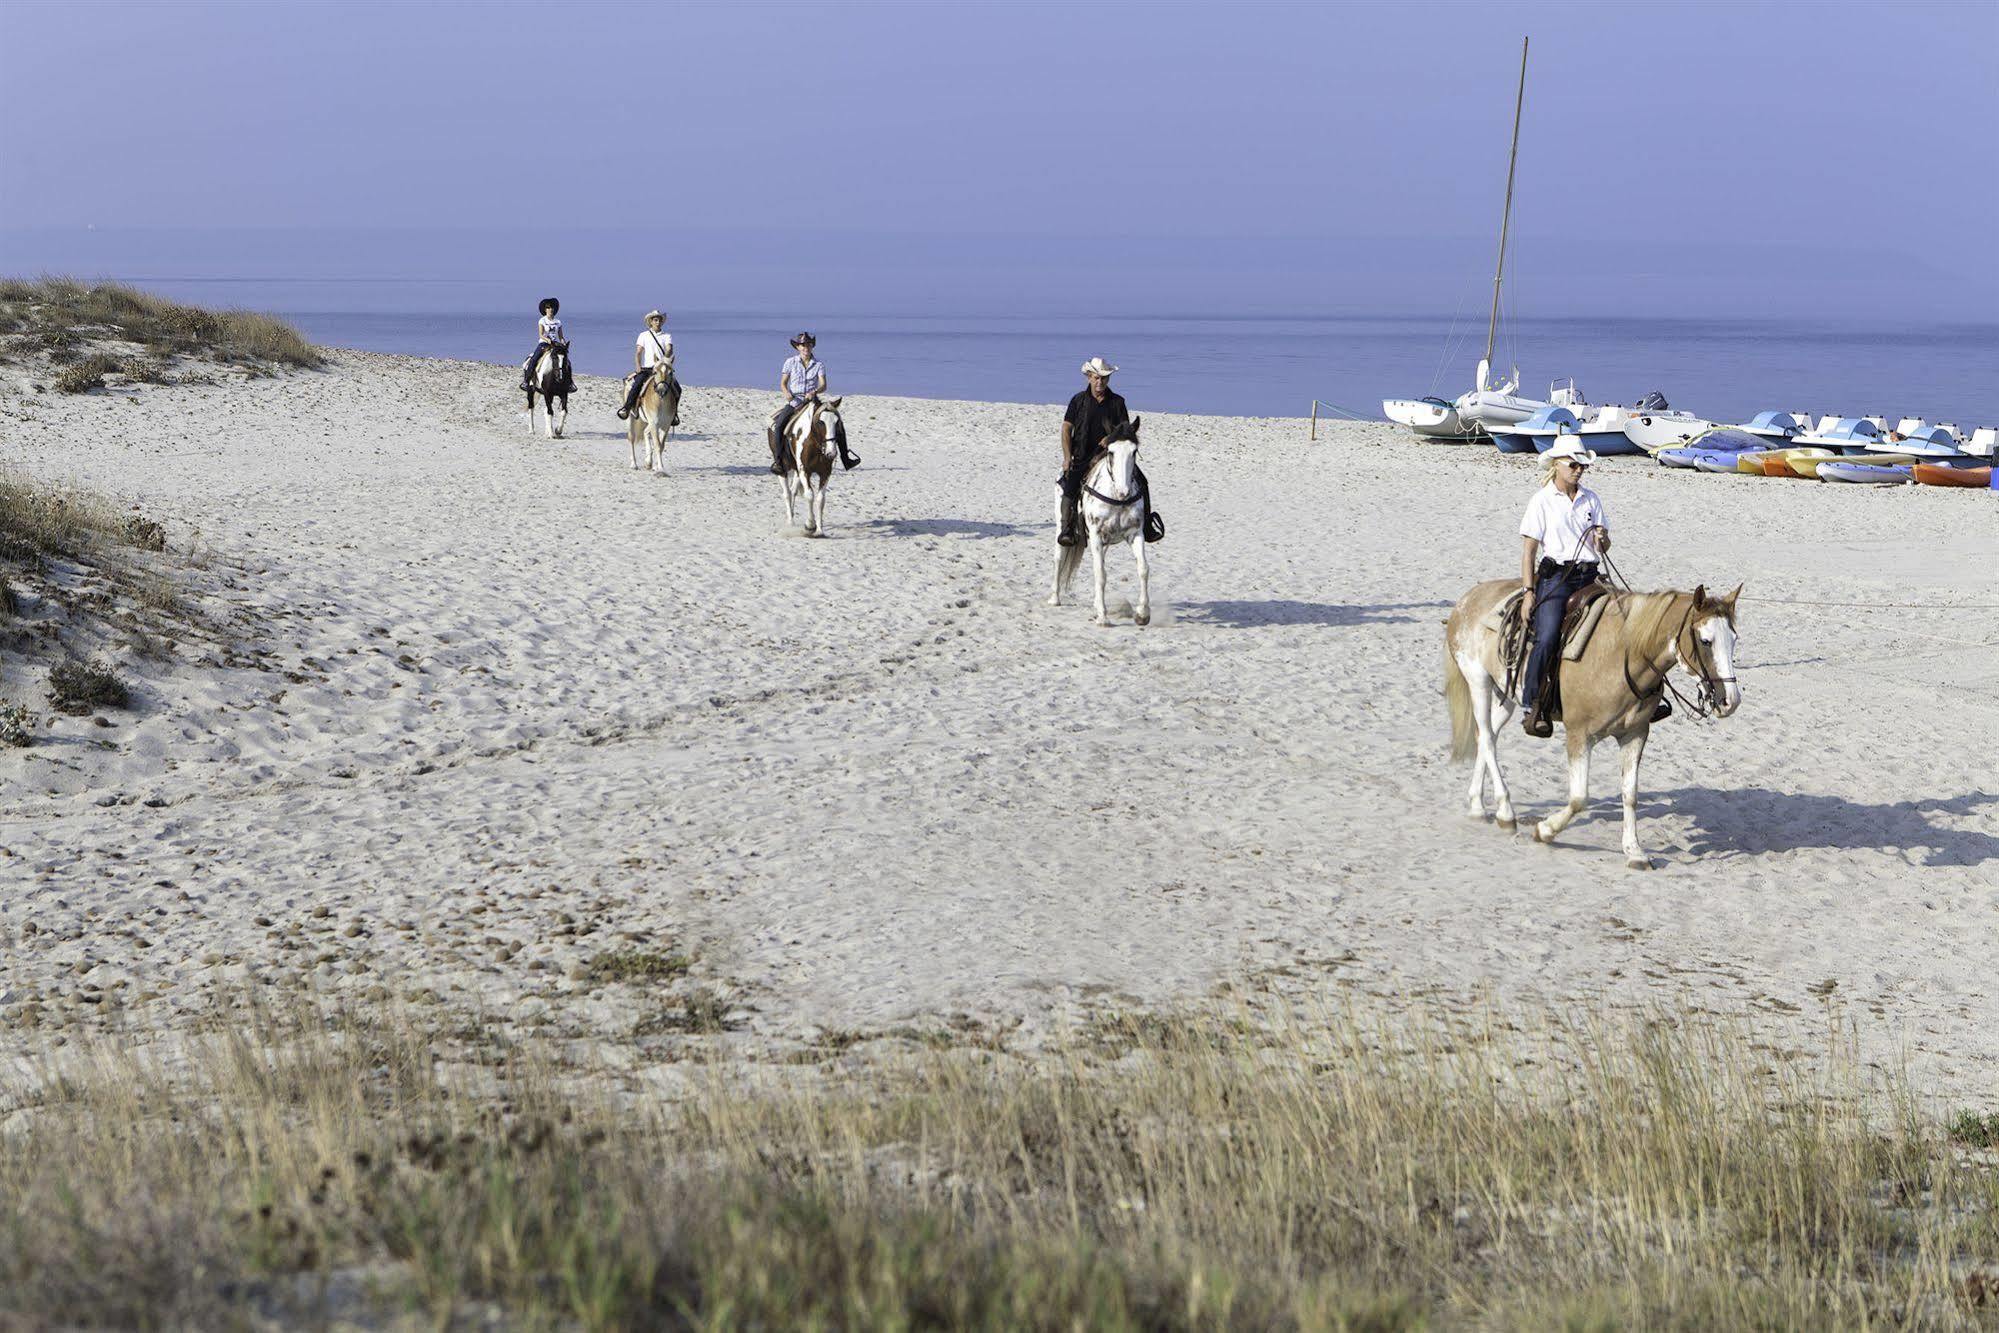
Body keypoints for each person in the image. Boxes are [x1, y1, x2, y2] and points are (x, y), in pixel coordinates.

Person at [1516, 436, 1609, 737]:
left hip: (1589, 575)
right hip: (1556, 576)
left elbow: (1605, 546)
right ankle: (1533, 703)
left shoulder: (1591, 499)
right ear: (1557, 465)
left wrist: (1602, 538)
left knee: (1626, 619)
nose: (1579, 470)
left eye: (1582, 465)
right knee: (1547, 636)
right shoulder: (1541, 500)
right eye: (1573, 465)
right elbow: (1529, 550)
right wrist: (1530, 593)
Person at [1058, 356, 1162, 546]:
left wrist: (1110, 439)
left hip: (1109, 456)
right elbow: (1066, 428)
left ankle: (1147, 527)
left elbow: (1125, 432)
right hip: (1082, 455)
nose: (1100, 382)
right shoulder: (1078, 401)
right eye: (1096, 377)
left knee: (1143, 482)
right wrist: (1067, 457)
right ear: (1089, 377)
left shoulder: (1117, 402)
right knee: (1070, 485)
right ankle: (1068, 529)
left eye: (1104, 378)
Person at [768, 332, 858, 473]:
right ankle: (778, 462)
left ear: (812, 346)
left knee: (837, 423)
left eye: (808, 344)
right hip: (795, 401)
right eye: (803, 345)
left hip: (812, 401)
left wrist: (815, 391)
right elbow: (783, 383)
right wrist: (787, 394)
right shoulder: (789, 362)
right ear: (797, 347)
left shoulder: (819, 365)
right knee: (779, 426)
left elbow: (823, 385)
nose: (806, 347)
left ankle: (846, 458)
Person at [617, 310, 680, 423]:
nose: (658, 322)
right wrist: (638, 365)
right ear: (651, 322)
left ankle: (674, 414)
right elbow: (638, 352)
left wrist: (666, 357)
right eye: (655, 320)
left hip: (662, 369)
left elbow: (669, 348)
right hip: (647, 368)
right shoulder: (643, 335)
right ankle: (626, 408)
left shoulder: (667, 336)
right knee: (636, 385)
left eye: (660, 320)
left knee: (677, 388)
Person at [519, 297, 575, 394]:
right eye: (548, 308)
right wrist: (547, 340)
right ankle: (526, 381)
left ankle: (570, 383)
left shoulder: (558, 322)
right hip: (544, 343)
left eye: (552, 307)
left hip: (555, 344)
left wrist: (563, 342)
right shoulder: (542, 321)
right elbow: (541, 334)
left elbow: (561, 336)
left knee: (567, 362)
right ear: (545, 310)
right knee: (534, 359)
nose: (550, 309)